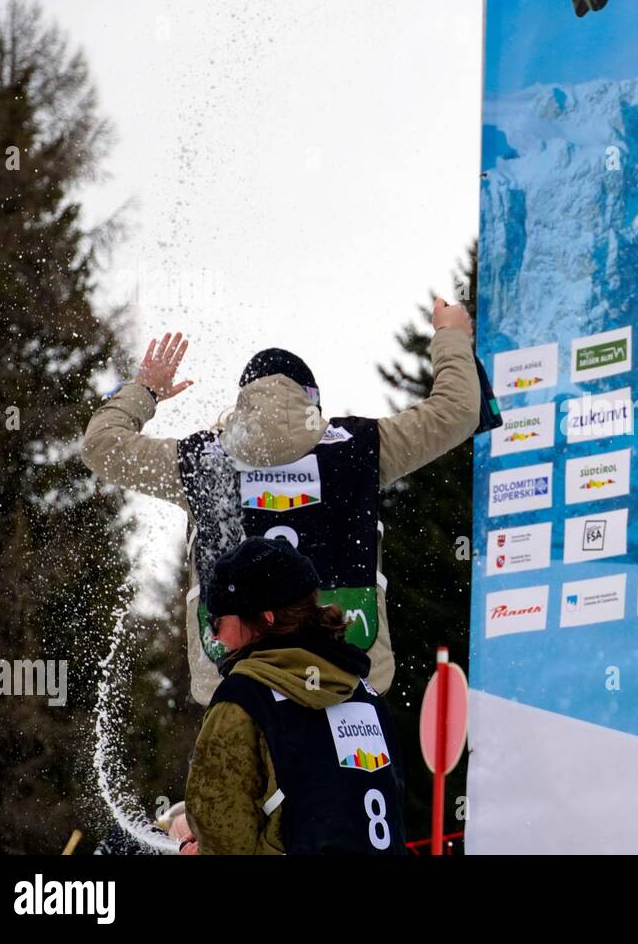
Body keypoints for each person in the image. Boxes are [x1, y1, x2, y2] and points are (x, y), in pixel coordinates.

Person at [81, 298, 479, 705]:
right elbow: (459, 411)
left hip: (234, 683)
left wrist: (144, 389)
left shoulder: (200, 461)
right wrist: (451, 334)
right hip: (345, 678)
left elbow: (101, 446)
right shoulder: (363, 448)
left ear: (242, 402)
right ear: (312, 402)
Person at [183, 536, 407, 855]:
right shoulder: (365, 693)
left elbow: (222, 832)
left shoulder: (244, 698)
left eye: (218, 620)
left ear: (265, 617)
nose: (214, 635)